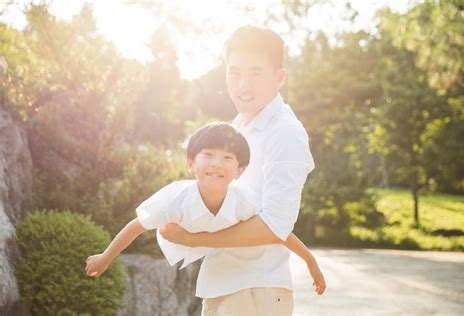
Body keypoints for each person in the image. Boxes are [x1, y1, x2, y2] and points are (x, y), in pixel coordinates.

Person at [159, 26, 323, 315]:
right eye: (234, 73)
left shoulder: (285, 132)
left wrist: (195, 240)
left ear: (279, 77)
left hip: (255, 290)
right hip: (223, 285)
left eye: (256, 73)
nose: (243, 86)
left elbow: (276, 224)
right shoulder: (235, 130)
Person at [85, 122, 325, 315]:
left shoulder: (243, 200)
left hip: (254, 281)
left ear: (240, 170)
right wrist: (106, 257)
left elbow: (277, 230)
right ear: (191, 163)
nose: (217, 163)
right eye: (208, 154)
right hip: (218, 281)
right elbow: (137, 226)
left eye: (228, 158)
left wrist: (310, 260)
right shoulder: (175, 197)